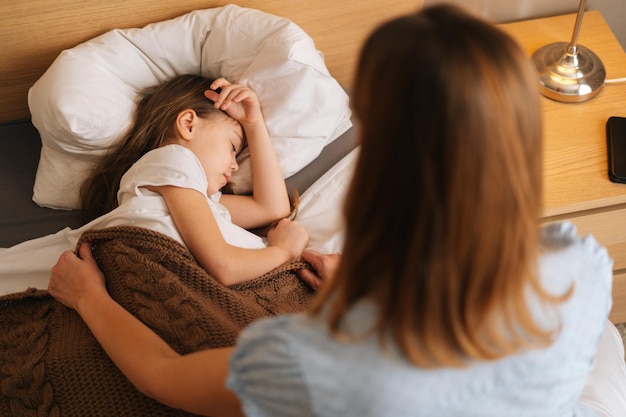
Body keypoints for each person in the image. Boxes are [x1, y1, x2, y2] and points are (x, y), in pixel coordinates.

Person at [48, 4, 626, 417]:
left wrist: (89, 298)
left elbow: (164, 377)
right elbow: (267, 212)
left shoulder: (316, 362)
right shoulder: (579, 262)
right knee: (605, 339)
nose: (231, 168)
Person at [1, 74, 309, 291]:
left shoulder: (196, 199)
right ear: (188, 124)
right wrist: (282, 252)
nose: (233, 165)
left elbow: (271, 207)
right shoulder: (174, 161)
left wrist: (253, 125)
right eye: (232, 146)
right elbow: (224, 267)